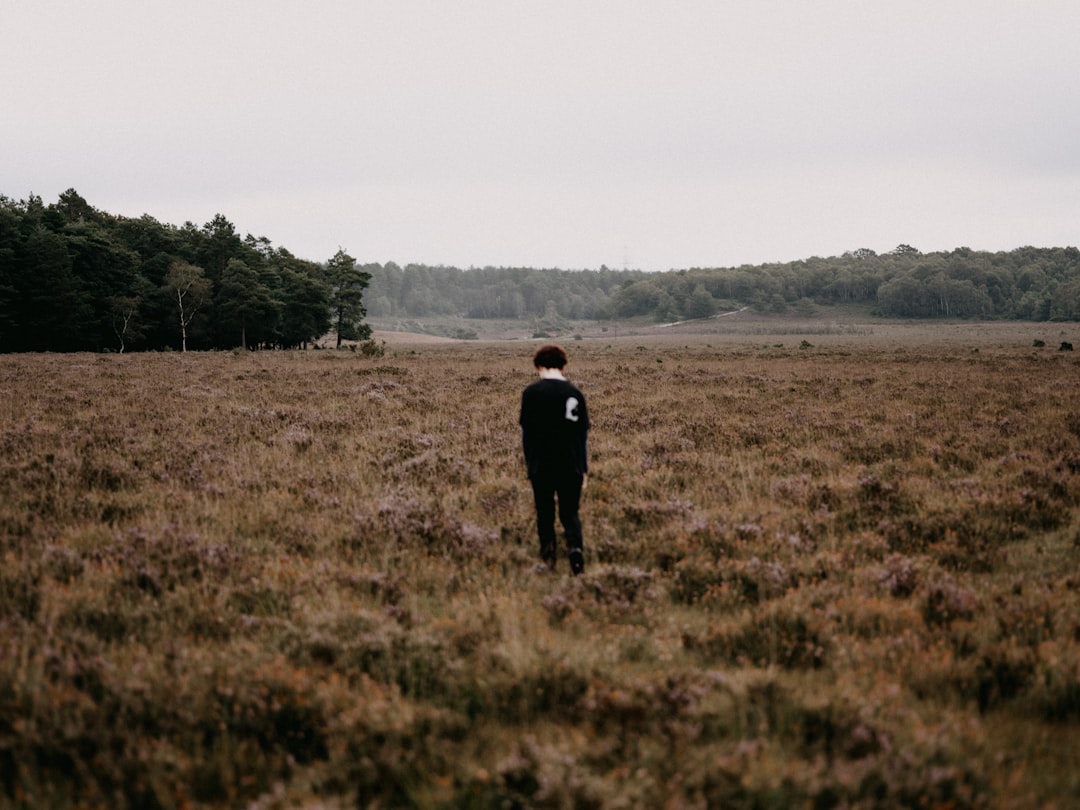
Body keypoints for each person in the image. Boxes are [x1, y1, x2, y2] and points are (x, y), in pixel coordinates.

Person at [519, 344, 590, 575]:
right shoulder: (575, 394)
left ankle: (548, 560)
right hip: (571, 463)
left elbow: (527, 433)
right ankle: (576, 551)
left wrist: (530, 465)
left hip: (542, 464)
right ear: (563, 364)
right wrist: (584, 468)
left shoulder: (531, 393)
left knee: (545, 513)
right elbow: (582, 435)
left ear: (538, 365)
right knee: (570, 513)